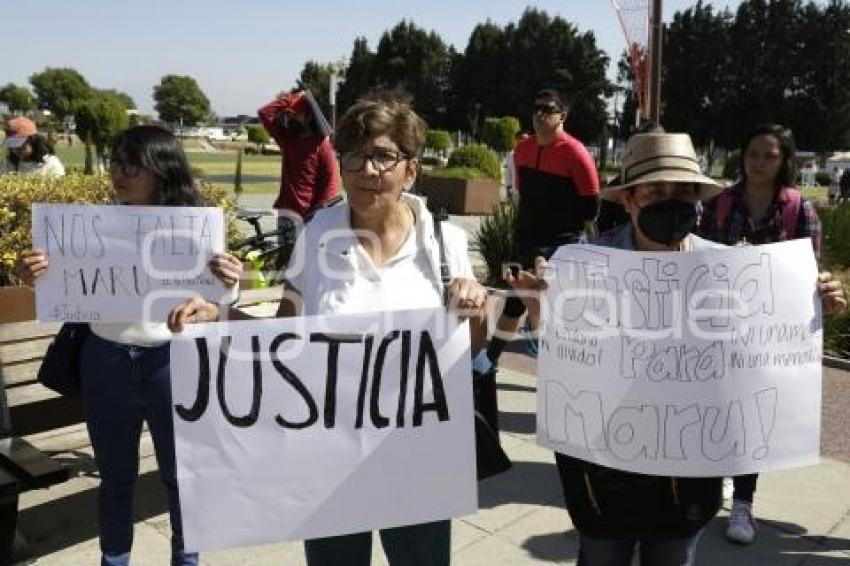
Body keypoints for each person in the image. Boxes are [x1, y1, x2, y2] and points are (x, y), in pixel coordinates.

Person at [169, 91, 488, 566]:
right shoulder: (318, 233)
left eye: (383, 156)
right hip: (328, 461)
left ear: (411, 170)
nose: (367, 170)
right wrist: (221, 317)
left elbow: (469, 348)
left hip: (417, 458)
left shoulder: (445, 243)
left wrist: (477, 310)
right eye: (355, 156)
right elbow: (282, 334)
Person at [505, 131, 845, 565]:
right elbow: (561, 353)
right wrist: (539, 307)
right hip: (602, 466)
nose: (671, 200)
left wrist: (812, 305)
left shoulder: (728, 268)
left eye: (683, 191)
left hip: (688, 471)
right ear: (628, 200)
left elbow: (757, 349)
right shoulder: (584, 263)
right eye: (655, 191)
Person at [17, 125, 240, 566]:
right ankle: (114, 560)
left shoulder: (195, 228)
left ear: (161, 169)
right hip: (107, 359)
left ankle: (186, 559)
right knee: (116, 478)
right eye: (115, 162)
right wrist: (34, 277)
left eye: (132, 165)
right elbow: (63, 290)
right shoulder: (87, 229)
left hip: (171, 361)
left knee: (181, 476)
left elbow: (217, 302)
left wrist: (228, 286)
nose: (119, 173)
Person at [697, 123, 821, 544]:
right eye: (753, 153)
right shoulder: (721, 202)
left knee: (750, 414)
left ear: (784, 160)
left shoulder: (798, 208)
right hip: (718, 323)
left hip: (764, 335)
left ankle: (744, 504)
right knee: (715, 407)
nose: (759, 162)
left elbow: (809, 272)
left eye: (769, 155)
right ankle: (708, 489)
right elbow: (700, 254)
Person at [486, 88, 600, 367]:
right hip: (524, 239)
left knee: (554, 312)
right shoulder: (522, 149)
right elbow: (523, 193)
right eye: (536, 108)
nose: (539, 114)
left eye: (547, 109)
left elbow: (592, 207)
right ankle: (488, 363)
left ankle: (559, 372)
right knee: (513, 302)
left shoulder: (576, 153)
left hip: (561, 245)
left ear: (562, 115)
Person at [257, 89, 340, 261]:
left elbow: (330, 185)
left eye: (296, 113)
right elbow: (264, 113)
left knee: (308, 263)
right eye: (289, 113)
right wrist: (289, 99)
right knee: (286, 263)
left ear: (308, 116)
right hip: (287, 213)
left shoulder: (321, 146)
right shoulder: (288, 140)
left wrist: (318, 215)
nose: (290, 117)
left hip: (311, 216)